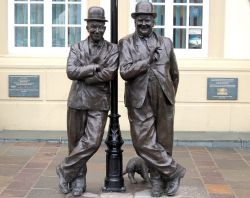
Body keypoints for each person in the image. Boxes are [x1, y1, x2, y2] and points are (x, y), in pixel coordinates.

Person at [119, 2, 186, 197]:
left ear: (153, 21)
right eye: (140, 20)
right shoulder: (127, 43)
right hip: (139, 98)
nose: (143, 24)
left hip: (164, 96)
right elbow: (124, 71)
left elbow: (174, 73)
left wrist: (170, 95)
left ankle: (158, 180)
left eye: (147, 20)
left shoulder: (166, 42)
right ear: (135, 20)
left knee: (164, 141)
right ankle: (175, 172)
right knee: (142, 142)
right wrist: (146, 61)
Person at [56, 6, 118, 197]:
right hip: (76, 101)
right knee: (75, 143)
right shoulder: (77, 47)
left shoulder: (113, 49)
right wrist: (94, 67)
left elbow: (110, 73)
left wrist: (86, 75)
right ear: (88, 27)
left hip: (99, 102)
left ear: (105, 28)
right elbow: (71, 71)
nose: (97, 30)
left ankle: (64, 169)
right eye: (93, 26)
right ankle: (78, 179)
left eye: (100, 26)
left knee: (91, 142)